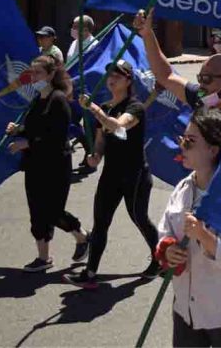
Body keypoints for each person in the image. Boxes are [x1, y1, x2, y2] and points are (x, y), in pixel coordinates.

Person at [133, 9, 221, 290]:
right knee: (200, 277)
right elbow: (165, 73)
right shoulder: (201, 100)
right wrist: (148, 35)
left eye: (207, 78)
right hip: (199, 199)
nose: (201, 83)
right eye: (200, 76)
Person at [156, 108, 221, 347]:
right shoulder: (184, 187)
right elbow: (165, 230)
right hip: (186, 310)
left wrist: (204, 237)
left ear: (213, 150)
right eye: (182, 139)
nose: (182, 145)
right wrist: (168, 249)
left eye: (190, 142)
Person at [63, 60, 160, 289]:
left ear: (128, 81)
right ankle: (90, 272)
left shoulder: (134, 107)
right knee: (100, 222)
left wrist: (92, 108)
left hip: (135, 174)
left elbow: (118, 126)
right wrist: (95, 156)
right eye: (109, 75)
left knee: (139, 218)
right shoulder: (105, 107)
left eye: (117, 75)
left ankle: (160, 259)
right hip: (111, 174)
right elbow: (100, 140)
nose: (111, 78)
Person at [5, 55, 89, 272]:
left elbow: (57, 136)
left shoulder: (59, 99)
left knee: (53, 211)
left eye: (38, 73)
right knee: (36, 211)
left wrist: (27, 142)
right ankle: (43, 258)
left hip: (55, 164)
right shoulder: (36, 100)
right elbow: (36, 127)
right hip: (34, 164)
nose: (33, 77)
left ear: (51, 75)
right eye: (32, 73)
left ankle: (81, 237)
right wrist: (19, 129)